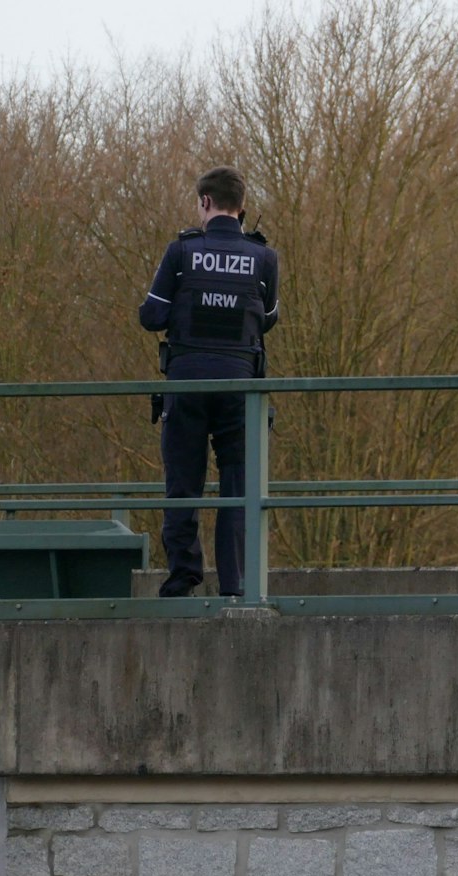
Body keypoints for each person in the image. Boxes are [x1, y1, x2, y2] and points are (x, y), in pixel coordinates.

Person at [138, 166, 281, 598]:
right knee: (239, 486)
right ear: (243, 208)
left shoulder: (181, 253)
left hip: (187, 386)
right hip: (241, 388)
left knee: (183, 481)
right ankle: (235, 584)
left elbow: (151, 316)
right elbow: (269, 319)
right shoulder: (264, 258)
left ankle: (184, 575)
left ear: (205, 202)